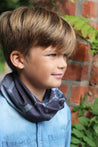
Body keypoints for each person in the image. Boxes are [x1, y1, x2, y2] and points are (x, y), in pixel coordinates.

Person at [0, 6, 76, 147]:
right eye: (52, 54)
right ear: (19, 59)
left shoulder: (62, 111)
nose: (63, 64)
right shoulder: (2, 114)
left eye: (64, 55)